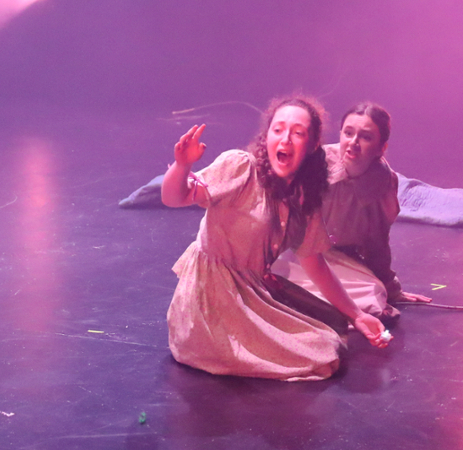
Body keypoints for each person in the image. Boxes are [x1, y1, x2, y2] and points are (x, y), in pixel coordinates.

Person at [161, 96, 389, 382]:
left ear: (313, 145)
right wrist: (182, 166)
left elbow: (315, 264)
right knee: (321, 352)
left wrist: (357, 316)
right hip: (209, 300)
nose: (286, 139)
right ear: (266, 136)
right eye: (278, 130)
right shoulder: (241, 168)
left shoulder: (303, 196)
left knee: (331, 329)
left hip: (251, 291)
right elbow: (173, 197)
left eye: (298, 133)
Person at [272, 102, 431, 323]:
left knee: (374, 293)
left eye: (365, 138)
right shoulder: (315, 162)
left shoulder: (383, 182)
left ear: (381, 147)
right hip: (298, 253)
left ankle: (306, 305)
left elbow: (378, 242)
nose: (353, 143)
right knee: (276, 274)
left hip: (337, 261)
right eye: (348, 133)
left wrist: (392, 289)